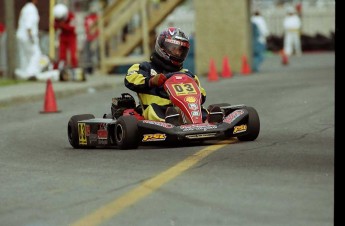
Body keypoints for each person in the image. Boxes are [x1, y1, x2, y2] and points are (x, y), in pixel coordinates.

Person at [124, 27, 213, 125]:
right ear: (162, 48)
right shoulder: (145, 67)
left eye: (181, 50)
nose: (178, 53)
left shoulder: (186, 74)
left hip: (183, 109)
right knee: (153, 109)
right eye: (174, 49)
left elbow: (202, 95)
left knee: (200, 109)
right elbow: (130, 79)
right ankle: (170, 120)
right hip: (157, 110)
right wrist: (151, 81)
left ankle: (210, 119)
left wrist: (196, 90)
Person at [15, 0, 43, 80]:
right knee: (36, 53)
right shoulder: (31, 9)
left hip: (21, 35)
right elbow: (29, 24)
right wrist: (31, 37)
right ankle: (31, 73)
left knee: (24, 56)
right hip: (28, 36)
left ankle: (23, 72)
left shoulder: (25, 8)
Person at [53, 3, 78, 68]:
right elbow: (55, 26)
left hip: (71, 36)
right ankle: (62, 67)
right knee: (62, 54)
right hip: (63, 36)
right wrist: (57, 25)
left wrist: (63, 25)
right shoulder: (57, 17)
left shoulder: (71, 16)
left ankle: (74, 67)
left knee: (73, 54)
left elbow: (72, 28)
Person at [83, 2, 99, 74]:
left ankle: (95, 68)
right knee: (87, 54)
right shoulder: (87, 18)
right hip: (88, 38)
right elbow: (86, 27)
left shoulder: (97, 18)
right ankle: (88, 68)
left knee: (94, 54)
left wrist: (95, 36)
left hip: (95, 38)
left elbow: (98, 29)